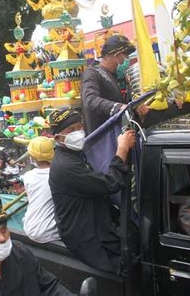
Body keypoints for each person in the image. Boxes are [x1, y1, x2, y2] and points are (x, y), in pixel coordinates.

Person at [48, 108, 136, 274]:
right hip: (88, 236)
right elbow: (110, 184)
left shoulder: (74, 155)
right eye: (70, 130)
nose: (78, 133)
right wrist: (122, 149)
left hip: (98, 219)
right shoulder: (66, 166)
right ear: (58, 138)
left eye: (79, 127)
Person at [80, 34, 136, 135]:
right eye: (125, 55)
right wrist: (118, 107)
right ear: (116, 54)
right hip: (101, 141)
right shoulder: (92, 73)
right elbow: (90, 99)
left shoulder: (113, 75)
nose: (127, 59)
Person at [22, 136, 60, 243]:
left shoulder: (28, 176)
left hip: (29, 227)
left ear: (32, 157)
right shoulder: (59, 175)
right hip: (49, 232)